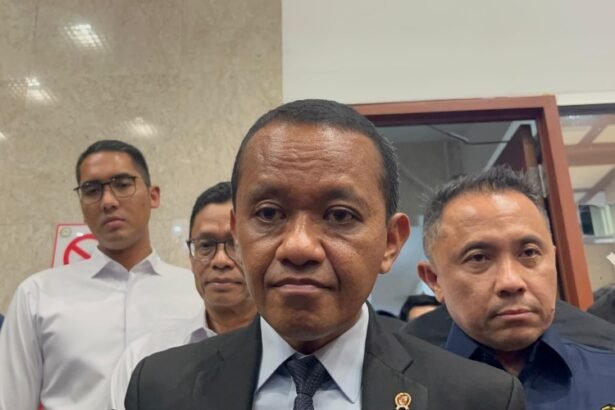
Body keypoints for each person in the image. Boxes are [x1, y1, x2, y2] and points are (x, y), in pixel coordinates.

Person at [125, 99, 525, 410]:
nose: (298, 246)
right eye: (268, 214)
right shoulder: (159, 388)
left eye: (339, 216)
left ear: (390, 242)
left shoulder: (479, 398)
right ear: (237, 234)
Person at [0, 140, 201, 410]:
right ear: (82, 205)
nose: (108, 201)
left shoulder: (194, 293)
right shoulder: (37, 296)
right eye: (92, 190)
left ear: (153, 196)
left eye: (123, 184)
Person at [411, 166, 615, 409]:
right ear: (434, 279)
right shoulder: (400, 387)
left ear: (553, 259)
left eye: (529, 253)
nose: (511, 282)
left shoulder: (607, 361)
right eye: (478, 258)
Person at [109, 181, 257, 409]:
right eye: (205, 245)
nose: (220, 260)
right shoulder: (146, 359)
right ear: (190, 256)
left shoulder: (296, 353)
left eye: (235, 244)